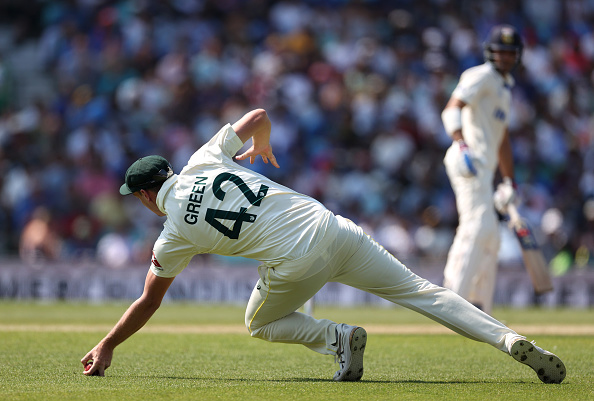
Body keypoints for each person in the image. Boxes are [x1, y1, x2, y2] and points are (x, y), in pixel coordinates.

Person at [81, 108, 565, 384]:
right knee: (423, 291)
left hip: (295, 261)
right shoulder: (202, 160)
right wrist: (263, 143)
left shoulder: (172, 234)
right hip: (334, 226)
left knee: (258, 321)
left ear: (146, 194)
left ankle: (335, 337)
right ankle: (508, 339)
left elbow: (149, 300)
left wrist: (107, 344)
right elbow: (258, 115)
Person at [441, 25, 523, 314]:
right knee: (477, 225)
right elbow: (451, 108)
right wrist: (461, 143)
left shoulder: (504, 89)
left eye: (510, 52)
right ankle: (451, 299)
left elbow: (502, 140)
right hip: (467, 161)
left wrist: (510, 181)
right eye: (501, 51)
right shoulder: (480, 76)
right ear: (491, 52)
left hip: (485, 170)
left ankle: (478, 306)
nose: (505, 57)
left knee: (491, 233)